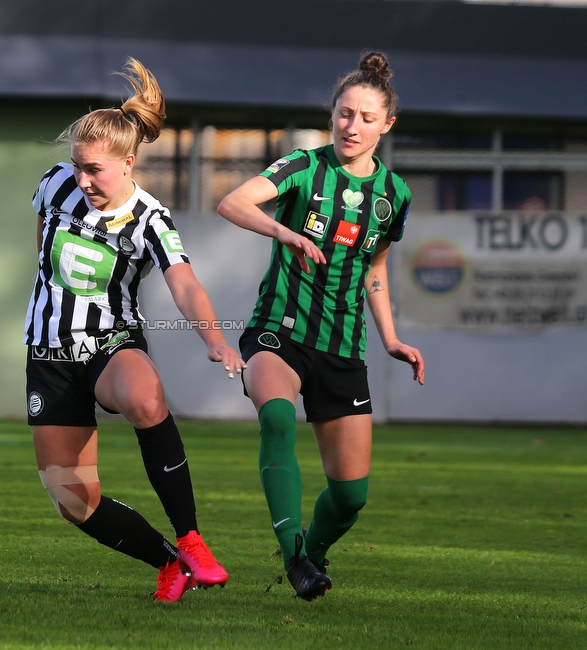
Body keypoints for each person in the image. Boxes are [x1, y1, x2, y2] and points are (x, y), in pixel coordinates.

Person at [24, 57, 245, 603]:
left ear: (127, 163)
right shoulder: (55, 185)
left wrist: (214, 340)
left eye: (94, 169)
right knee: (74, 504)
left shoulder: (151, 218)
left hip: (110, 344)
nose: (82, 178)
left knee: (145, 399)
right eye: (77, 165)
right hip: (47, 356)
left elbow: (185, 285)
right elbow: (42, 252)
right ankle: (169, 563)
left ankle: (191, 539)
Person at [217, 51, 425, 601]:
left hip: (342, 345)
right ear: (332, 115)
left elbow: (374, 266)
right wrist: (284, 233)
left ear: (386, 125)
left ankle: (314, 552)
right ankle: (292, 559)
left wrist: (391, 338)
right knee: (278, 420)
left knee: (351, 496)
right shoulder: (303, 167)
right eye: (343, 113)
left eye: (364, 117)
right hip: (278, 331)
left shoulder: (394, 195)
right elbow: (233, 202)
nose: (352, 125)